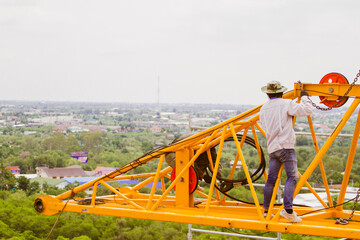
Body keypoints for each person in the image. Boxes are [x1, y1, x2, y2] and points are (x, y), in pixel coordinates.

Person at [259, 81, 312, 223]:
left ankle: (265, 211)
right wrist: (305, 96)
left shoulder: (263, 109)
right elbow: (307, 110)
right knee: (292, 177)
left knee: (271, 180)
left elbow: (263, 124)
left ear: (268, 94)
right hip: (286, 147)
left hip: (272, 148)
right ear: (281, 92)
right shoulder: (286, 104)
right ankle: (288, 209)